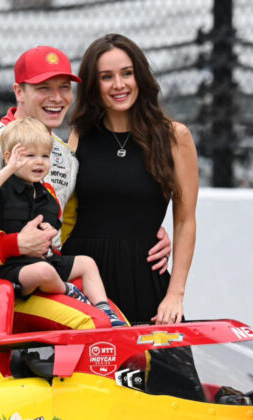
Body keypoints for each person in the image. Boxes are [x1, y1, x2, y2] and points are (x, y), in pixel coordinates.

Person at [0, 45, 170, 330]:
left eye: (64, 88)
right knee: (95, 329)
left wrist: (147, 232)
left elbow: (68, 233)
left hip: (48, 281)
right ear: (19, 92)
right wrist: (12, 244)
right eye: (44, 88)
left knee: (120, 329)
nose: (57, 98)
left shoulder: (66, 157)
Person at [63, 34, 198, 325]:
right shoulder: (79, 136)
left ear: (140, 76)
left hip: (144, 278)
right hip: (83, 280)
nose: (119, 84)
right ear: (93, 85)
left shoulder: (175, 137)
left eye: (127, 73)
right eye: (106, 77)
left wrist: (175, 294)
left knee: (159, 369)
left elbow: (186, 220)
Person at [0, 117, 125, 326]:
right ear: (9, 157)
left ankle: (104, 309)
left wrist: (48, 230)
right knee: (43, 271)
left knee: (87, 263)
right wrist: (8, 169)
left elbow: (51, 229)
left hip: (44, 260)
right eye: (30, 156)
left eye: (45, 156)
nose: (39, 161)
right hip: (10, 268)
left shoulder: (48, 196)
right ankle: (70, 291)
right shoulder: (2, 188)